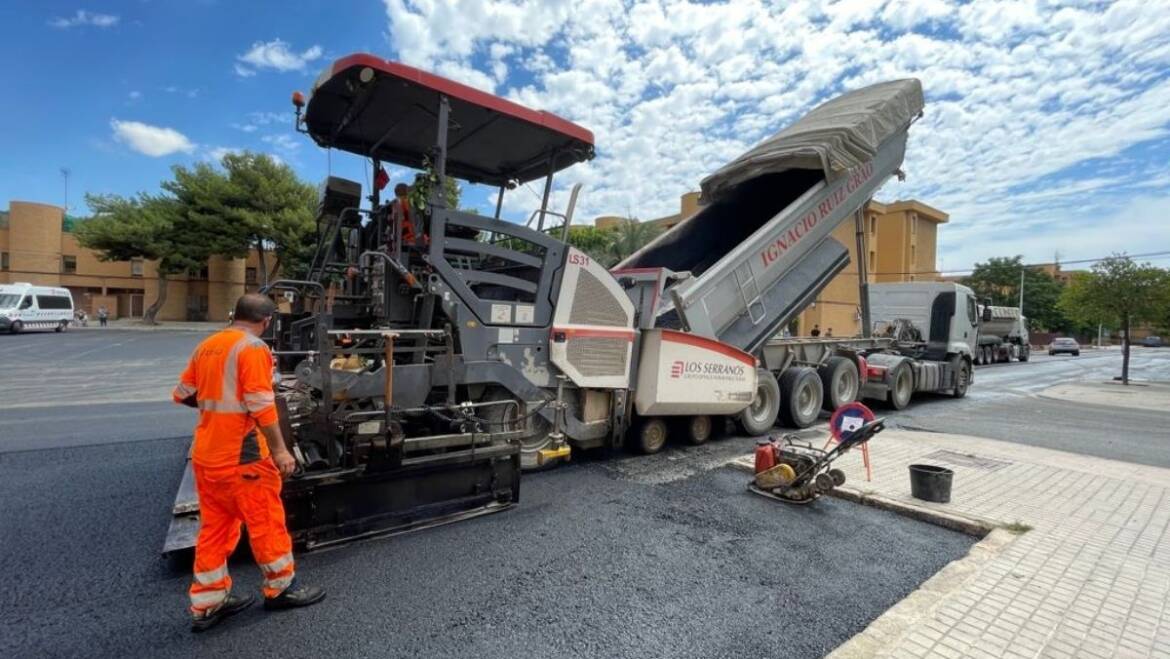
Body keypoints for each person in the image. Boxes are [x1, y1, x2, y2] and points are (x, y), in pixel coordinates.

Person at [172, 294, 325, 632]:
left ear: (235, 314)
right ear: (267, 321)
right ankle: (281, 588)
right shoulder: (253, 348)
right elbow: (261, 406)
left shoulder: (208, 345)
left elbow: (183, 393)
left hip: (207, 455)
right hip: (244, 460)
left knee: (215, 529)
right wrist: (281, 451)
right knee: (266, 523)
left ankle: (208, 603)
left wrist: (219, 412)